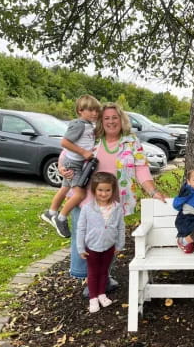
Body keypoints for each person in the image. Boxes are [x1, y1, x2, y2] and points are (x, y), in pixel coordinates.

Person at [58, 102, 166, 292]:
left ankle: (104, 277)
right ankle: (89, 281)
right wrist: (62, 168)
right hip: (87, 199)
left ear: (121, 119)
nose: (110, 121)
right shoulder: (93, 137)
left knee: (109, 239)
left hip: (114, 201)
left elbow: (141, 168)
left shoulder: (131, 141)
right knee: (86, 239)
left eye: (114, 117)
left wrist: (153, 191)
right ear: (101, 120)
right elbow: (67, 152)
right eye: (106, 118)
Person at [41, 94, 101, 238]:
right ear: (80, 110)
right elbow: (65, 143)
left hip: (73, 161)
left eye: (96, 110)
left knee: (64, 189)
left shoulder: (88, 125)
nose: (94, 113)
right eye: (90, 110)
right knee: (80, 194)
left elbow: (83, 143)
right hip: (73, 163)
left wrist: (91, 150)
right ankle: (61, 218)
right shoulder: (78, 124)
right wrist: (83, 152)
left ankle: (51, 212)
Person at [76, 172, 125, 313]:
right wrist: (80, 248)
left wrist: (119, 244)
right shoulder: (87, 208)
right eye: (100, 190)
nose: (104, 194)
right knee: (92, 273)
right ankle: (93, 298)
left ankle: (102, 294)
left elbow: (121, 227)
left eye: (107, 190)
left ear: (112, 190)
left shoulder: (117, 208)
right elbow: (81, 228)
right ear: (94, 190)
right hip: (91, 247)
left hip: (109, 247)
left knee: (104, 271)